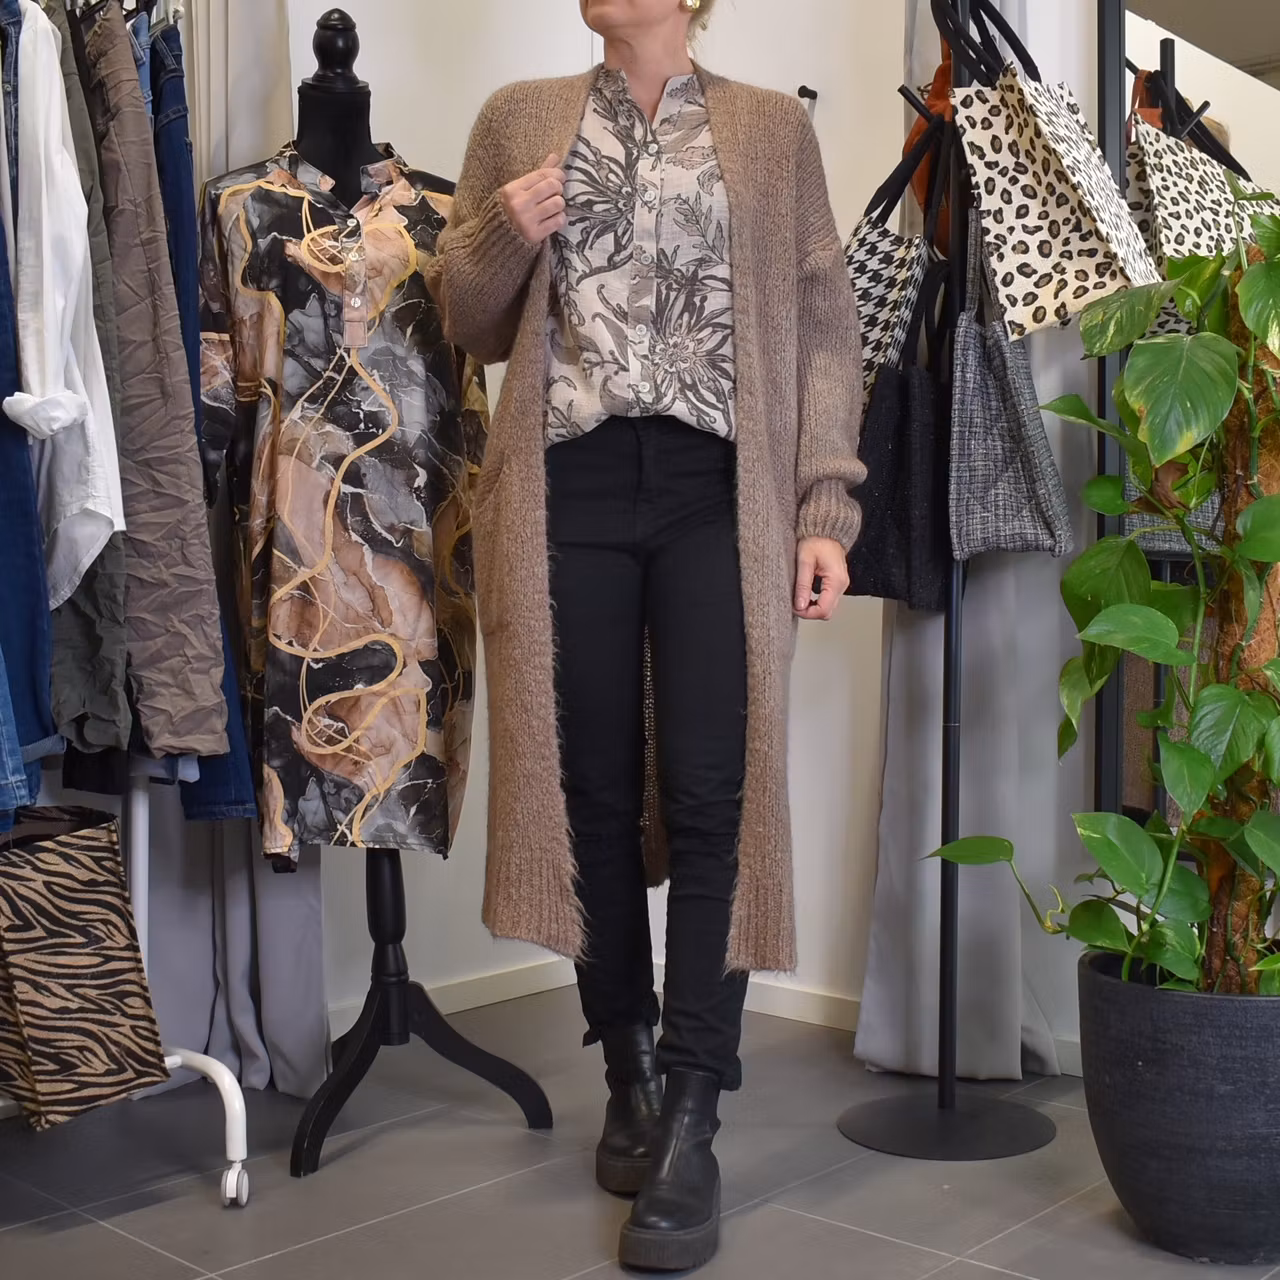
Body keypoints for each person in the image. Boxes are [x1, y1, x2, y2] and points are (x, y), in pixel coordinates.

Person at [428, 0, 865, 1269]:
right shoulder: (518, 118)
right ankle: (623, 1060)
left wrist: (822, 506)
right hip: (563, 487)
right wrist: (504, 233)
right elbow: (465, 319)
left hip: (715, 490)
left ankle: (692, 1106)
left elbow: (823, 328)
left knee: (718, 788)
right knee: (591, 792)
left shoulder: (769, 133)